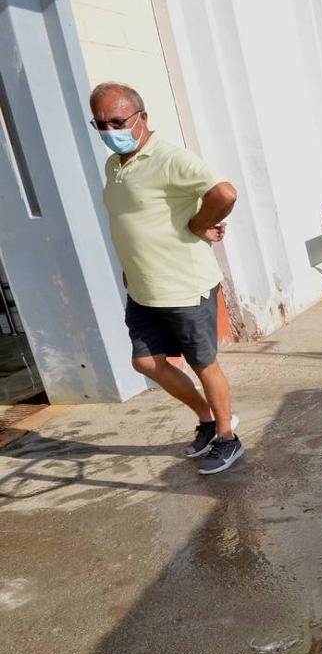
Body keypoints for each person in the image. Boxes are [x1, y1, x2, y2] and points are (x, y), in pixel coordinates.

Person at [90, 82, 244, 474]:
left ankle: (228, 437)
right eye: (101, 124)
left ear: (142, 117)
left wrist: (199, 224)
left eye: (117, 121)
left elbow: (223, 194)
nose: (110, 131)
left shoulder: (171, 158)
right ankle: (208, 420)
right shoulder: (115, 164)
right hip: (142, 287)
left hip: (183, 285)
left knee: (203, 364)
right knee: (145, 362)